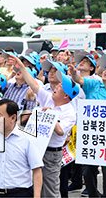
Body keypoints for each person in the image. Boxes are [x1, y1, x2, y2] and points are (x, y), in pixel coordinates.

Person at [15, 56, 78, 197]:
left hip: (51, 153)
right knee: (32, 185)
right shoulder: (48, 98)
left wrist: (51, 116)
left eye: (61, 87)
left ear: (66, 96)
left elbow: (61, 132)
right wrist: (21, 67)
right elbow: (34, 85)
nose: (56, 87)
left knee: (50, 188)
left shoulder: (70, 113)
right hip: (36, 147)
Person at [70, 54, 106, 198]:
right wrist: (73, 73)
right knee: (88, 171)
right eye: (105, 69)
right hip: (91, 137)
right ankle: (94, 195)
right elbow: (79, 79)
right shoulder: (94, 85)